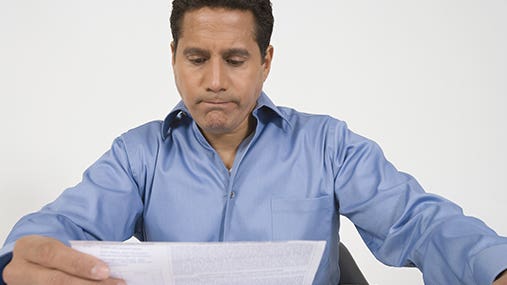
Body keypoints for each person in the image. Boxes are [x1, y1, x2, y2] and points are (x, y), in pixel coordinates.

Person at [1, 0, 506, 284]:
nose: (215, 81)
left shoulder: (327, 145)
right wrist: (17, 262)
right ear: (174, 57)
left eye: (236, 60)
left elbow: (418, 221)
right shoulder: (138, 156)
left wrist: (496, 268)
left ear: (266, 60)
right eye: (197, 59)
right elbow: (63, 223)